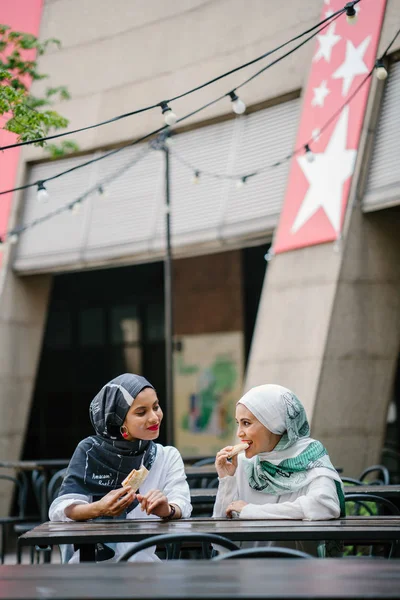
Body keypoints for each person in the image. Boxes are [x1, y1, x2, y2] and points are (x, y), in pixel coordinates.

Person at [49, 373, 192, 562]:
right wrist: (99, 508)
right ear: (119, 420)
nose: (154, 417)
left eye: (156, 407)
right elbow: (60, 509)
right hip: (89, 567)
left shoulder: (166, 456)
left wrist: (167, 510)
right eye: (141, 412)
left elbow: (182, 504)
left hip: (143, 568)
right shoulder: (90, 450)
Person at [213, 384, 344, 522]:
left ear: (273, 423)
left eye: (246, 423)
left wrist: (252, 510)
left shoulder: (310, 458)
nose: (239, 433)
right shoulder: (243, 464)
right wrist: (227, 480)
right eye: (238, 423)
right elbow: (221, 524)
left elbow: (324, 506)